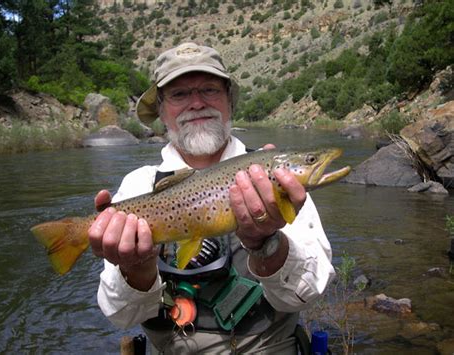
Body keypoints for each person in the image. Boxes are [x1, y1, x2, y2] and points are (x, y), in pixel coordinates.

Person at [88, 42, 335, 354]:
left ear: (229, 102)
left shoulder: (273, 175)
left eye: (209, 89)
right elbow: (121, 316)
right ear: (162, 112)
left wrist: (267, 244)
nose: (196, 103)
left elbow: (309, 293)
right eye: (179, 94)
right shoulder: (139, 185)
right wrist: (136, 268)